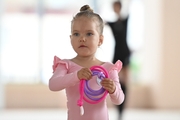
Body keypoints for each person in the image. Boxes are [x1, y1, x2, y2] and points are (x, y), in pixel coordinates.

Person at [49, 4, 125, 120]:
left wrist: (113, 89)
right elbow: (53, 84)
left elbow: (119, 100)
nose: (82, 38)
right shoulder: (66, 65)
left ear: (100, 40)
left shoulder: (108, 68)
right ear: (71, 39)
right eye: (76, 34)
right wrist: (76, 76)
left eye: (89, 34)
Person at [106, 1, 131, 120]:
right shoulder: (112, 23)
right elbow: (100, 23)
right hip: (116, 55)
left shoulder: (126, 20)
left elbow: (129, 8)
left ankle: (122, 111)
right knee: (115, 82)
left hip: (125, 53)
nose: (115, 9)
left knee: (125, 82)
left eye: (117, 7)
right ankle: (118, 107)